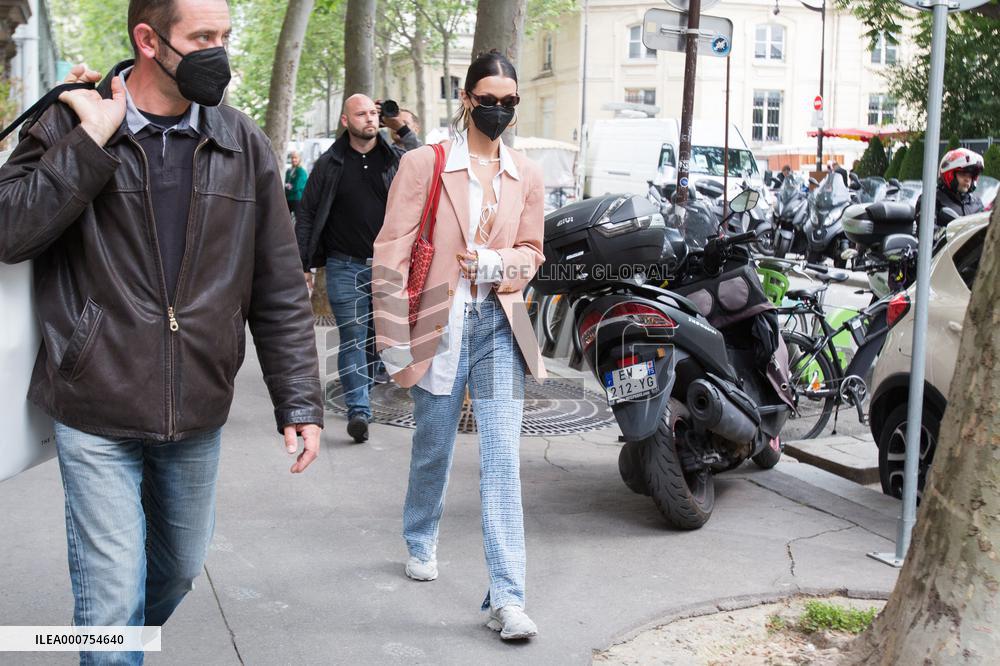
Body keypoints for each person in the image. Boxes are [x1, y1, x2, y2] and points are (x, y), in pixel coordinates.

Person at [0, 0, 323, 660]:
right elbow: (10, 230)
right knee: (113, 603)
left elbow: (279, 283)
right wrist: (89, 143)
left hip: (198, 405)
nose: (220, 53)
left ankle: (109, 637)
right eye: (202, 37)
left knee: (176, 571)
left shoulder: (242, 142)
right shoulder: (73, 121)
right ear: (148, 39)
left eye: (224, 36)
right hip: (94, 400)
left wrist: (299, 398)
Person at [372, 50, 548, 641]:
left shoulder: (527, 174)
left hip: (502, 323)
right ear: (468, 99)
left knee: (502, 463)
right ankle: (420, 534)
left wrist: (502, 261)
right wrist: (392, 334)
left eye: (510, 103)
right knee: (434, 447)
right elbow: (392, 248)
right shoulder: (426, 164)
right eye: (489, 100)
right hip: (435, 324)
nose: (499, 111)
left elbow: (533, 253)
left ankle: (508, 598)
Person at [295, 94, 420, 443]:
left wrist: (399, 126)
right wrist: (303, 264)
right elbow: (306, 214)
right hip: (343, 265)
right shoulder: (329, 163)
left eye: (372, 113)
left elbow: (426, 161)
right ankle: (359, 410)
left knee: (380, 339)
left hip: (389, 266)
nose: (369, 119)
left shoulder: (394, 158)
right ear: (346, 121)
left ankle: (367, 385)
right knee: (352, 335)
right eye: (361, 114)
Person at [915, 148, 985, 227]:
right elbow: (927, 234)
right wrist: (949, 232)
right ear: (950, 174)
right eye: (963, 174)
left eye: (970, 176)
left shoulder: (976, 203)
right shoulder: (930, 200)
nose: (967, 179)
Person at [285, 150, 308, 215]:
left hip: (297, 199)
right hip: (287, 198)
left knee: (298, 219)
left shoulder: (301, 171)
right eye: (292, 158)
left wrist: (288, 187)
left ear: (299, 159)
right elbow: (286, 183)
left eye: (295, 158)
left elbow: (297, 186)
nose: (293, 160)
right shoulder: (289, 171)